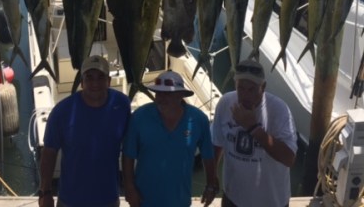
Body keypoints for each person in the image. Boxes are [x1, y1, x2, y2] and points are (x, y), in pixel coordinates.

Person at [39, 55, 131, 207]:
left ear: (109, 81)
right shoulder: (62, 111)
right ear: (81, 82)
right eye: (89, 77)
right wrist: (45, 192)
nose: (95, 83)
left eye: (100, 77)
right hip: (70, 200)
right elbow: (49, 153)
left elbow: (130, 149)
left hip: (108, 199)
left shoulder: (122, 104)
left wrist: (130, 186)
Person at [122, 70, 219, 207]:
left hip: (180, 200)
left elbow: (208, 155)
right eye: (158, 93)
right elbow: (128, 155)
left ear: (181, 95)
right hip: (144, 200)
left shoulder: (199, 119)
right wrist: (130, 188)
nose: (161, 98)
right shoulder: (139, 116)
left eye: (167, 93)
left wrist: (210, 185)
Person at [212, 59, 297, 207]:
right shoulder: (226, 103)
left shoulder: (280, 110)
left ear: (263, 87)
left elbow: (289, 158)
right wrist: (212, 177)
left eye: (252, 90)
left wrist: (253, 128)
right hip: (233, 199)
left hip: (271, 202)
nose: (245, 95)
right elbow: (217, 143)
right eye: (241, 89)